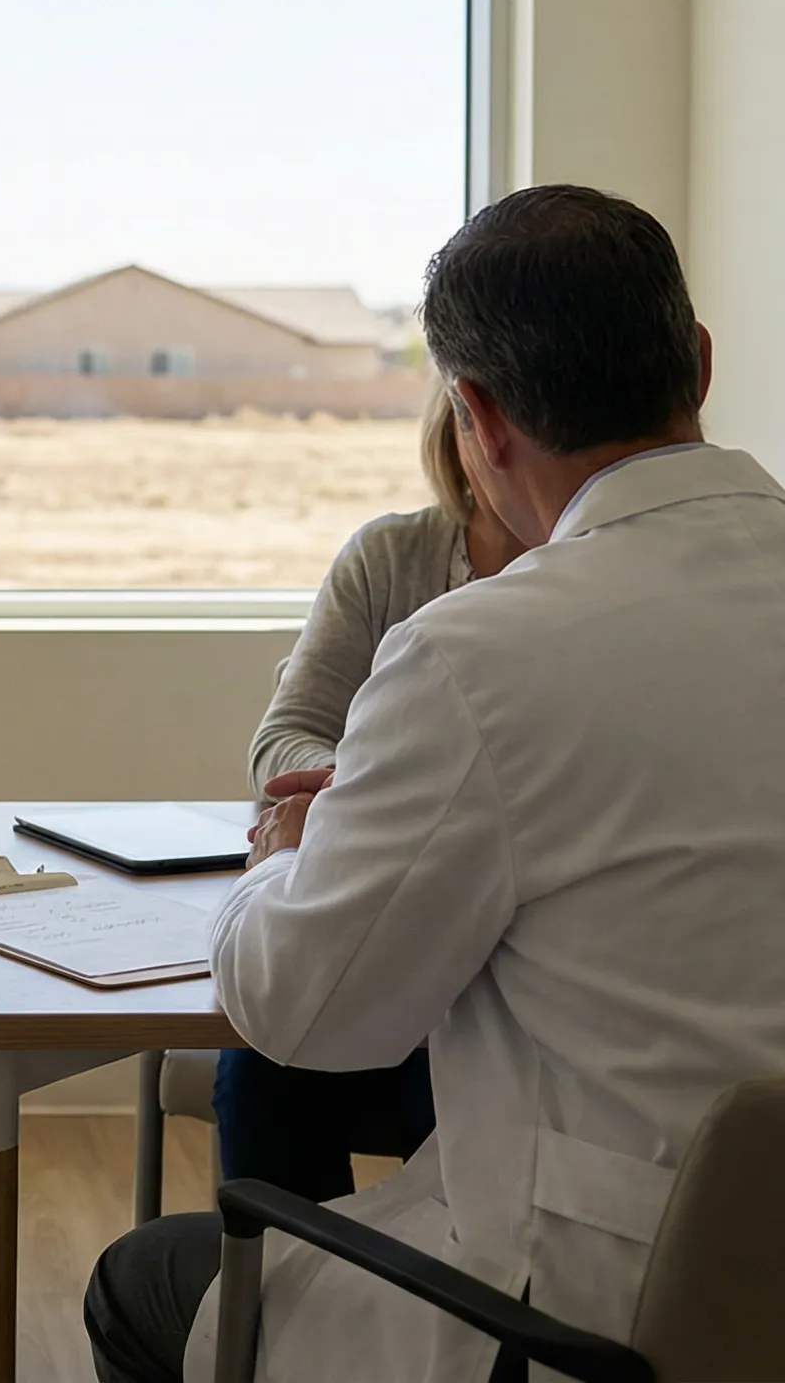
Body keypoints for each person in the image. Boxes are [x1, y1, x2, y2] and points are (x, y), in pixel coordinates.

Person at [86, 185, 785, 1383]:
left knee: (144, 1282)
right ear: (696, 365)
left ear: (477, 416)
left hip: (639, 1319)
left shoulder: (479, 654)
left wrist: (280, 860)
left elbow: (303, 1012)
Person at [211, 385, 529, 1198]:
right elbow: (283, 740)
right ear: (464, 426)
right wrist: (384, 790)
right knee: (262, 1069)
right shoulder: (390, 558)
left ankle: (413, 1294)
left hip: (505, 993)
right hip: (391, 945)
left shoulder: (592, 585)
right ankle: (293, 1300)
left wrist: (392, 796)